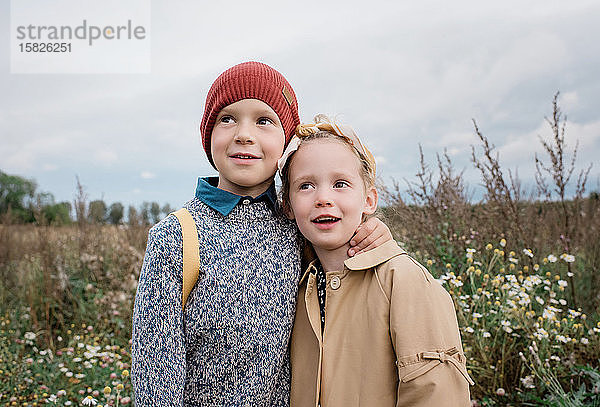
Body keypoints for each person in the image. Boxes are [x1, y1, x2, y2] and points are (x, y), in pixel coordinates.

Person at [131, 62, 393, 406]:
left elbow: (342, 268)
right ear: (207, 134)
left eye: (264, 121)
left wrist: (372, 233)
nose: (244, 134)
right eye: (227, 119)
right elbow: (155, 369)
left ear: (286, 140)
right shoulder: (177, 236)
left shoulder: (298, 225)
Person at [279, 115, 474, 407]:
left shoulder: (402, 280)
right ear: (288, 206)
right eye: (306, 186)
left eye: (340, 183)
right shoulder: (297, 281)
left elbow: (435, 393)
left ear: (369, 200)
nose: (323, 198)